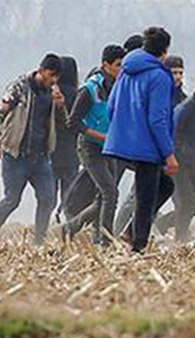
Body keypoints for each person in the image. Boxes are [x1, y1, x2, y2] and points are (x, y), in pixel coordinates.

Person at [103, 27, 179, 253]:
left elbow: (111, 106)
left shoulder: (126, 69)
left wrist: (122, 131)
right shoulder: (159, 76)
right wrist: (168, 153)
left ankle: (131, 231)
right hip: (147, 144)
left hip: (122, 141)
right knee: (146, 197)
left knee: (165, 186)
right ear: (164, 51)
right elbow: (158, 119)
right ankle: (138, 247)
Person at [0, 54, 66, 245]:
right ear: (42, 70)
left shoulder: (52, 93)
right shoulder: (20, 87)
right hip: (16, 154)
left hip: (41, 157)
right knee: (12, 200)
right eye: (51, 75)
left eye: (57, 77)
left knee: (48, 198)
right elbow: (2, 113)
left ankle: (39, 241)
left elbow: (63, 123)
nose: (53, 80)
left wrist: (60, 105)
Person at [63, 44, 126, 245]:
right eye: (118, 65)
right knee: (110, 192)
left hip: (111, 146)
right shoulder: (90, 89)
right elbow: (73, 122)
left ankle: (69, 229)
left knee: (104, 197)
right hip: (90, 147)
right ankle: (104, 242)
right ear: (106, 65)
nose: (121, 69)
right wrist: (99, 136)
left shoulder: (119, 86)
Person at [155, 72, 195, 243]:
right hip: (179, 161)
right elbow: (173, 137)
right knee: (185, 201)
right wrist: (174, 158)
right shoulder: (185, 110)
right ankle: (181, 237)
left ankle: (164, 222)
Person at [51, 56, 80, 212]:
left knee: (49, 196)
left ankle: (44, 225)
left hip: (51, 150)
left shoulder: (51, 93)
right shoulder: (78, 94)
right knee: (69, 196)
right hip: (71, 152)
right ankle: (69, 228)